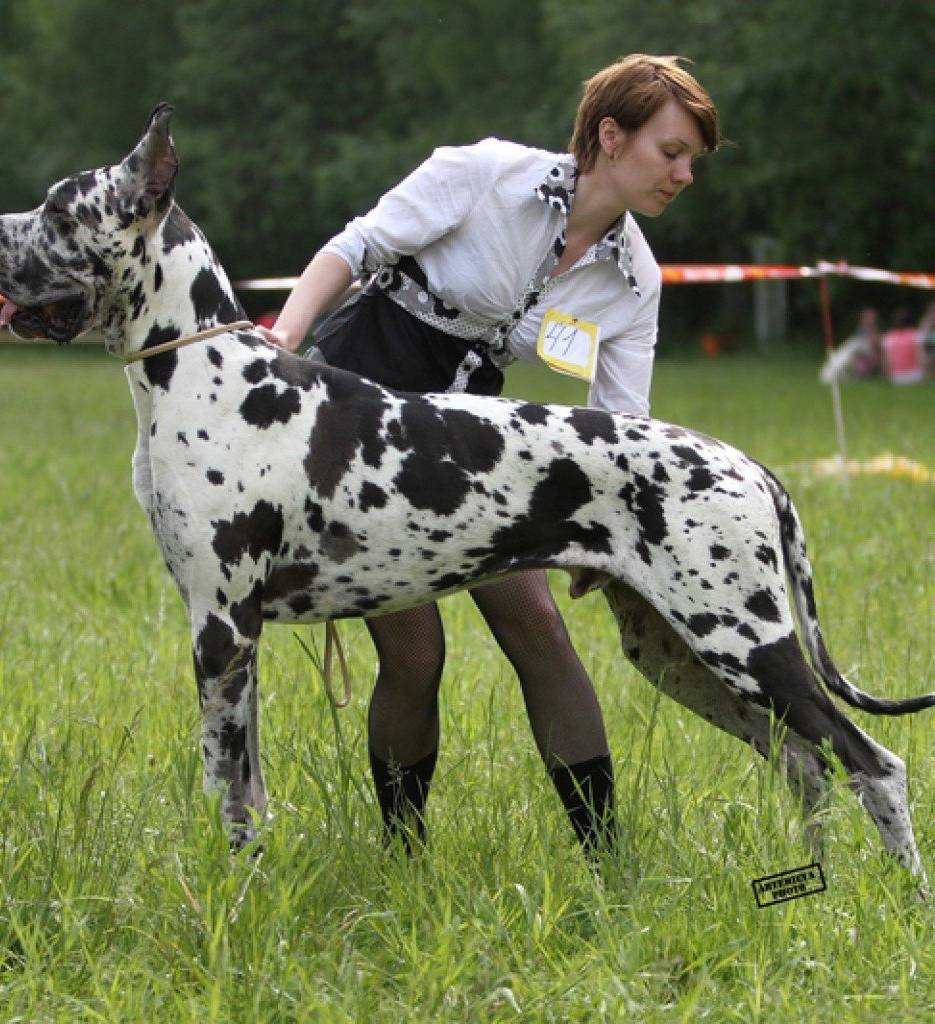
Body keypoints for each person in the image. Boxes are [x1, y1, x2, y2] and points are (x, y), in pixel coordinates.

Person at [259, 54, 721, 857]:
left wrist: (602, 538)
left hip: (471, 427)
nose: (683, 174)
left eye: (691, 161)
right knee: (415, 648)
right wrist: (286, 337)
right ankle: (404, 852)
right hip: (358, 402)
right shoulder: (484, 175)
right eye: (670, 151)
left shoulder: (635, 282)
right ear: (611, 137)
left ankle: (607, 857)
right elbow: (355, 247)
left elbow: (621, 424)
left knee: (539, 623)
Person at [881, 307, 925, 384]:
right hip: (915, 375)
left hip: (896, 377)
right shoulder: (915, 335)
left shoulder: (889, 337)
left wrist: (886, 376)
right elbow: (921, 357)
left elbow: (887, 361)